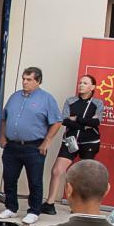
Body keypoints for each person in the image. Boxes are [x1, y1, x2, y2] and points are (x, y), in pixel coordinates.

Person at [0, 66, 64, 225]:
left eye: (29, 80)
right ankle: (11, 208)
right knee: (9, 178)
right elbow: (4, 118)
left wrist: (47, 141)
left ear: (38, 81)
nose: (25, 82)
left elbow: (57, 122)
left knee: (34, 180)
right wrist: (2, 136)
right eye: (23, 79)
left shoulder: (46, 99)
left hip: (34, 147)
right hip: (12, 145)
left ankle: (34, 211)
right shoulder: (14, 97)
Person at [44, 73, 103, 214]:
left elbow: (96, 122)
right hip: (70, 140)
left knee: (85, 174)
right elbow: (64, 120)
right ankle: (49, 203)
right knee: (57, 170)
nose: (81, 85)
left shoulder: (98, 103)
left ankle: (82, 206)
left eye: (85, 83)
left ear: (92, 87)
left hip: (89, 141)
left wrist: (76, 118)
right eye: (80, 82)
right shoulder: (70, 101)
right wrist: (84, 124)